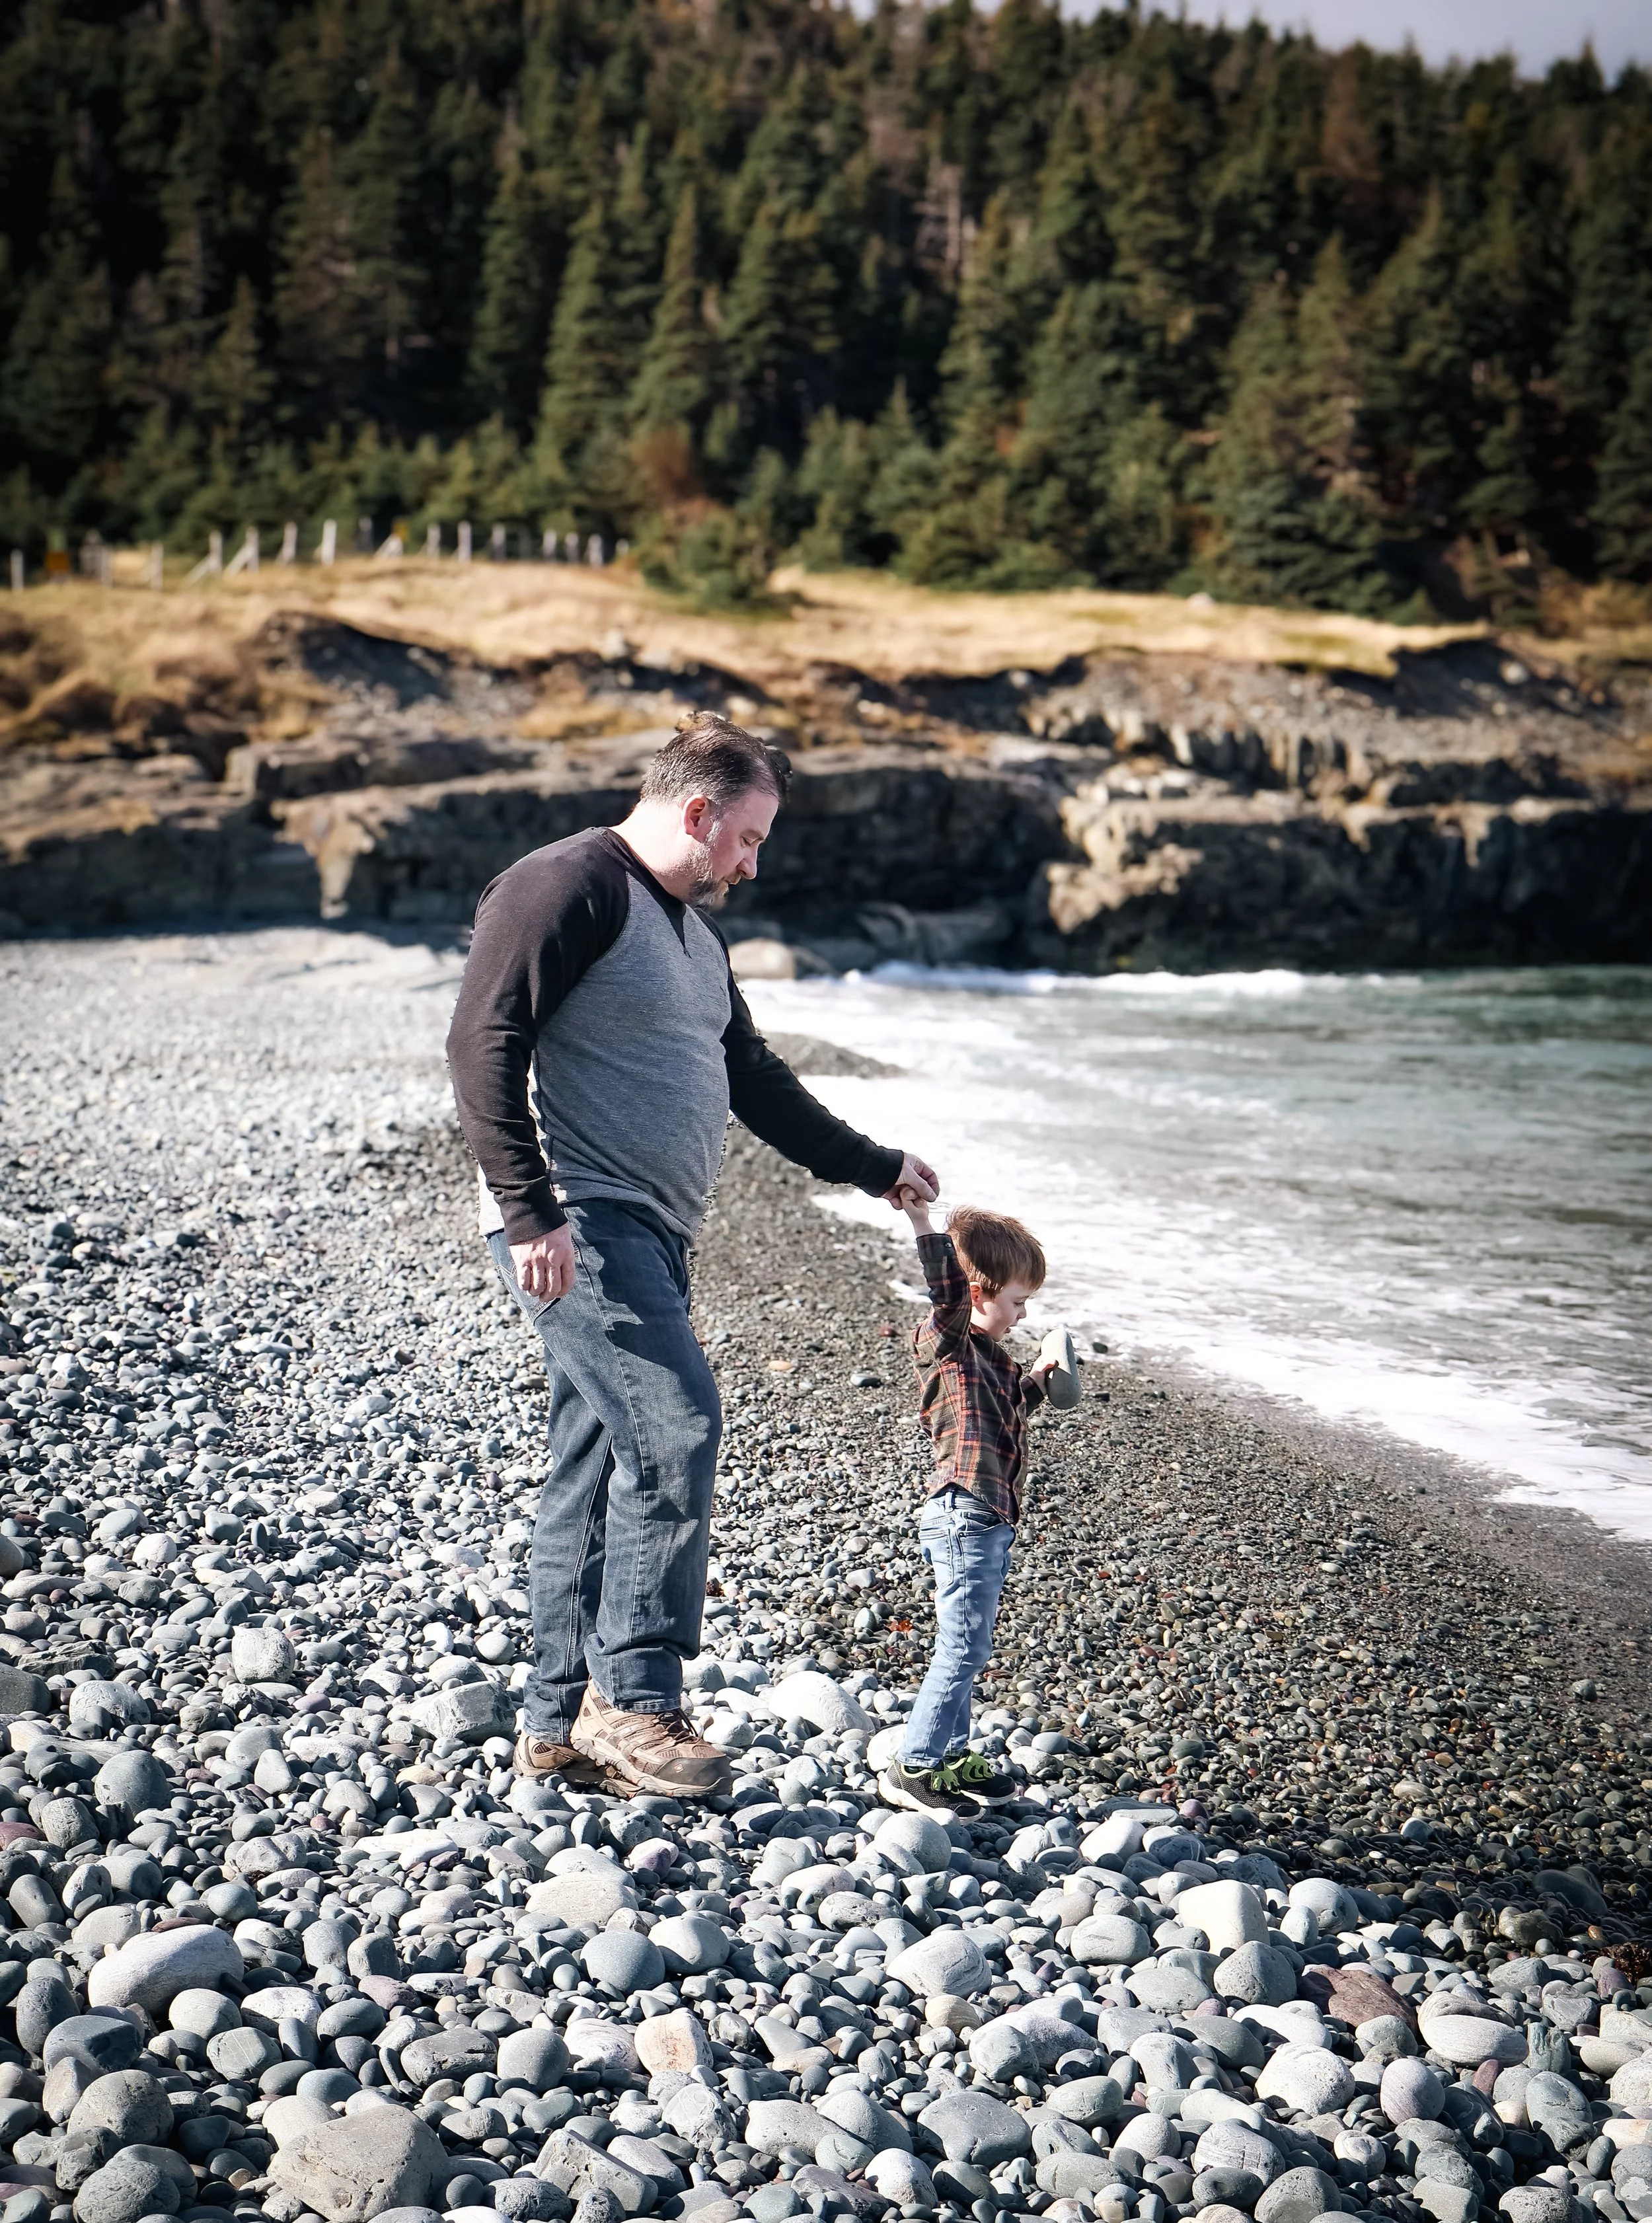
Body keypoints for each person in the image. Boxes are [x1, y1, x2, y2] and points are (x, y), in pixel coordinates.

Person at [444, 712, 937, 1802]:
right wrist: (530, 1212)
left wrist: (874, 1164)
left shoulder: (694, 935)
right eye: (749, 838)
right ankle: (637, 1699)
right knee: (679, 1421)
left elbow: (752, 1075)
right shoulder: (565, 884)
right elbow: (484, 1038)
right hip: (581, 1214)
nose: (754, 864)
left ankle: (558, 1719)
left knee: (601, 1455)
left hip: (650, 1232)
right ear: (699, 811)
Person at [880, 1195, 1066, 1815]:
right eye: (1016, 1302)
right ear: (979, 1293)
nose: (1020, 1315)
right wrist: (923, 1224)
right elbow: (947, 1294)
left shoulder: (992, 1359)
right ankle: (916, 1765)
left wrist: (1042, 1373)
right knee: (962, 1648)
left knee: (971, 1644)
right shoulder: (948, 1342)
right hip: (964, 1512)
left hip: (986, 1518)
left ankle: (952, 1755)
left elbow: (1014, 1405)